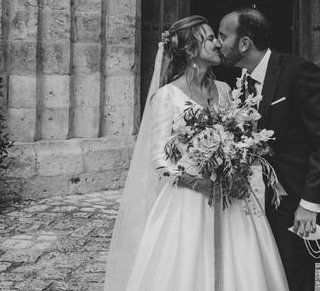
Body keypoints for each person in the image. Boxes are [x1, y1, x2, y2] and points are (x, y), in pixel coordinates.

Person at [103, 15, 289, 291]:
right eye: (210, 37)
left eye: (216, 37)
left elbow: (242, 141)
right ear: (191, 50)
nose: (217, 44)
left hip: (231, 197)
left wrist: (238, 171)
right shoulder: (167, 96)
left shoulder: (226, 90)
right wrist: (198, 182)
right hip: (188, 199)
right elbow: (159, 159)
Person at [218, 8, 320, 291]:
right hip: (282, 201)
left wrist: (310, 204)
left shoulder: (298, 72)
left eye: (223, 36)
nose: (219, 43)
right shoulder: (242, 85)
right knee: (291, 279)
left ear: (244, 43)